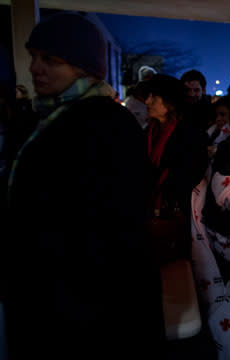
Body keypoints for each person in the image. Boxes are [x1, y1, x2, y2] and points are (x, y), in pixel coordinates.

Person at [1, 12, 165, 358]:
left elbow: (114, 227)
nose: (34, 68)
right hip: (54, 291)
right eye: (33, 57)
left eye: (50, 59)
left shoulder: (105, 124)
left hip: (84, 304)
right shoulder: (50, 117)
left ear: (83, 67)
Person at [145, 74, 208, 265]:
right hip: (150, 213)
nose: (147, 101)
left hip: (176, 214)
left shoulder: (189, 133)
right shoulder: (149, 131)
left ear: (169, 102)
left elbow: (193, 171)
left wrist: (164, 184)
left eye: (153, 97)